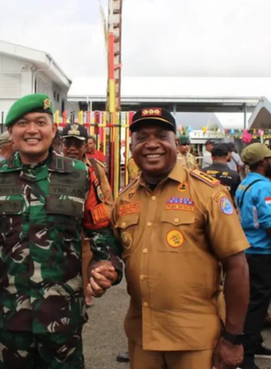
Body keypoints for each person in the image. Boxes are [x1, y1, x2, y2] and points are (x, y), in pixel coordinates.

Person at [0, 94, 122, 369]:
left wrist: (106, 264)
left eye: (41, 122)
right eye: (23, 123)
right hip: (9, 318)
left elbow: (102, 232)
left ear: (53, 130)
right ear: (11, 132)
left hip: (63, 317)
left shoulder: (80, 175)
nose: (32, 130)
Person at [112, 107, 250, 369]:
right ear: (131, 148)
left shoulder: (209, 194)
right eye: (141, 138)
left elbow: (237, 266)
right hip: (142, 338)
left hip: (195, 341)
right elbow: (112, 250)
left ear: (176, 143)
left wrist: (233, 338)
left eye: (161, 136)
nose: (152, 144)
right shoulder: (124, 198)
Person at [61, 122, 114, 308]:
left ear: (85, 146)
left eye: (77, 144)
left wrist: (91, 219)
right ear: (61, 145)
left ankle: (85, 291)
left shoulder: (95, 169)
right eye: (68, 144)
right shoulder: (51, 167)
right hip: (61, 226)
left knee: (85, 258)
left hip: (87, 225)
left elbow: (107, 200)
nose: (72, 149)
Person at [236, 143, 271, 369]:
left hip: (247, 249)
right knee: (257, 303)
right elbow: (269, 222)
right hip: (261, 252)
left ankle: (254, 342)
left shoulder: (244, 184)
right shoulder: (264, 187)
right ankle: (246, 355)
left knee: (251, 300)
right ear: (263, 162)